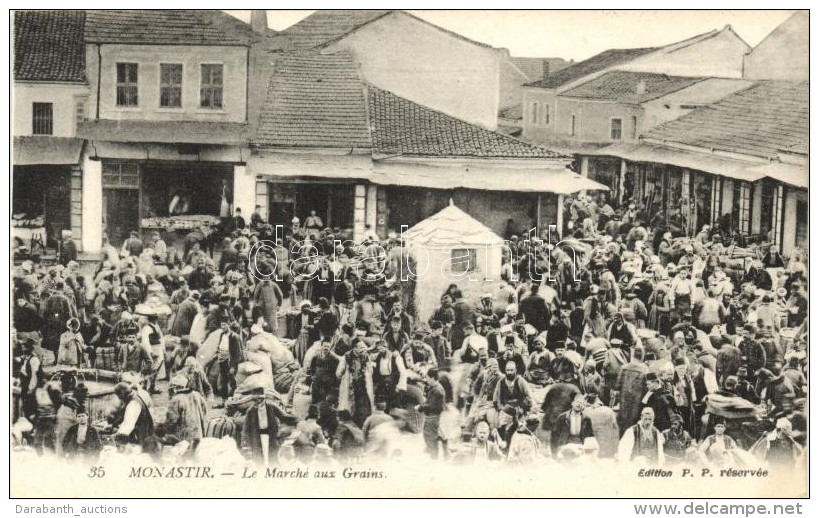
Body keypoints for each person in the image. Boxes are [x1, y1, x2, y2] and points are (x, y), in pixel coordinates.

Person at [164, 374, 208, 447]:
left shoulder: (176, 399)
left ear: (175, 387)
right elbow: (204, 410)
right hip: (198, 433)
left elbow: (171, 420)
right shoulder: (196, 394)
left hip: (183, 437)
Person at [550, 393, 594, 458]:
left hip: (580, 446)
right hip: (565, 446)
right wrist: (554, 454)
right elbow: (554, 436)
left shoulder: (586, 419)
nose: (579, 405)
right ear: (572, 403)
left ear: (584, 406)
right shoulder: (562, 417)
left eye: (582, 403)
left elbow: (590, 436)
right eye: (577, 402)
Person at [417, 368, 446, 459]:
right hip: (433, 416)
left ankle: (434, 457)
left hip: (433, 417)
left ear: (433, 378)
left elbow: (432, 406)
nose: (426, 379)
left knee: (430, 436)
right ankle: (435, 450)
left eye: (427, 377)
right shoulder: (436, 387)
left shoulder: (436, 390)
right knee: (430, 435)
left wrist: (420, 407)